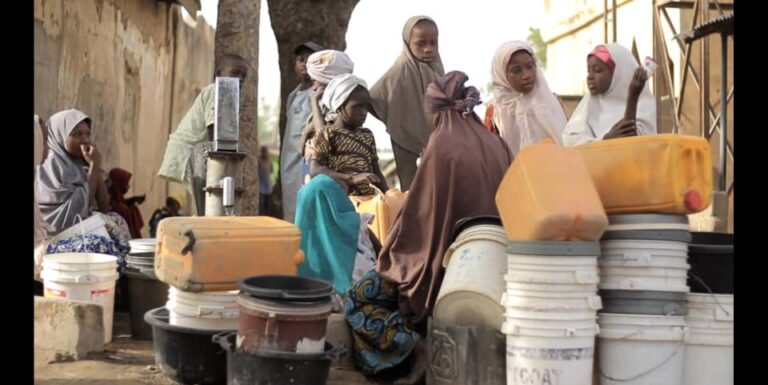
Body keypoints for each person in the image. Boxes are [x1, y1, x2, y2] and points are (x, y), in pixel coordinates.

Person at [345, 71, 512, 385]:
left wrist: (388, 251)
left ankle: (417, 349)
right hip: (492, 262)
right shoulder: (497, 143)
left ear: (435, 110)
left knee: (360, 298)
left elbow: (420, 221)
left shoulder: (443, 144)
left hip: (442, 266)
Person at [296, 74, 387, 297]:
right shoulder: (328, 135)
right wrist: (352, 179)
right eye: (357, 107)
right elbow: (316, 170)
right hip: (342, 202)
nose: (364, 113)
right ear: (339, 104)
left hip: (370, 200)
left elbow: (376, 170)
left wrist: (388, 193)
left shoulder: (367, 136)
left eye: (367, 107)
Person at [158, 54, 249, 215]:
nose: (240, 79)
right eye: (235, 73)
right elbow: (214, 128)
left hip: (196, 150)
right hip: (190, 151)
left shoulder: (228, 95)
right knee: (207, 200)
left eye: (243, 76)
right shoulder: (216, 91)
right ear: (219, 74)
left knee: (208, 198)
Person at [369, 16, 445, 191]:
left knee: (439, 187)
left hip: (436, 137)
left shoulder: (437, 67)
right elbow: (373, 97)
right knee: (413, 189)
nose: (428, 49)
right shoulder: (401, 67)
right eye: (420, 44)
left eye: (433, 43)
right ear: (407, 43)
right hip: (406, 141)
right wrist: (398, 120)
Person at [562, 43, 657, 146]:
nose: (590, 77)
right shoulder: (588, 106)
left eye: (597, 70)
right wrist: (605, 140)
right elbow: (570, 141)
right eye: (588, 71)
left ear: (618, 73)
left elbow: (633, 146)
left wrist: (633, 96)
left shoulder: (643, 106)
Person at [35, 109, 111, 233]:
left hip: (76, 226)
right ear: (59, 135)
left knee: (115, 221)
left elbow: (104, 207)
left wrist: (94, 166)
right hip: (55, 233)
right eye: (77, 134)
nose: (85, 140)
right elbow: (79, 210)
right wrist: (94, 165)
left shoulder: (77, 162)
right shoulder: (51, 163)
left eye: (87, 134)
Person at [490, 40, 568, 155]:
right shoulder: (495, 113)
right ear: (502, 75)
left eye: (530, 66)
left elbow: (568, 141)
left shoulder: (552, 102)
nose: (526, 75)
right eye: (516, 70)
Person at [279, 41, 324, 223]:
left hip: (308, 163)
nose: (305, 64)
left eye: (310, 60)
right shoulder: (293, 95)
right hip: (289, 165)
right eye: (301, 59)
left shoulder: (320, 94)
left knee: (307, 213)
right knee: (291, 212)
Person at [299, 49, 355, 185]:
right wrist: (307, 131)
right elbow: (301, 148)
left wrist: (314, 102)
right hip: (311, 168)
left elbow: (323, 135)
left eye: (316, 81)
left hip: (328, 173)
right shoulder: (321, 106)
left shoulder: (341, 108)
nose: (313, 87)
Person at [107, 168, 145, 238]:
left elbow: (121, 202)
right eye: (126, 183)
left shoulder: (117, 196)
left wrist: (132, 200)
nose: (128, 186)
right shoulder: (109, 199)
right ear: (119, 183)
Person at [258, 146, 273, 214]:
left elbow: (271, 171)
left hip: (268, 186)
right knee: (262, 205)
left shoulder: (269, 162)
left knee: (267, 204)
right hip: (261, 187)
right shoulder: (259, 161)